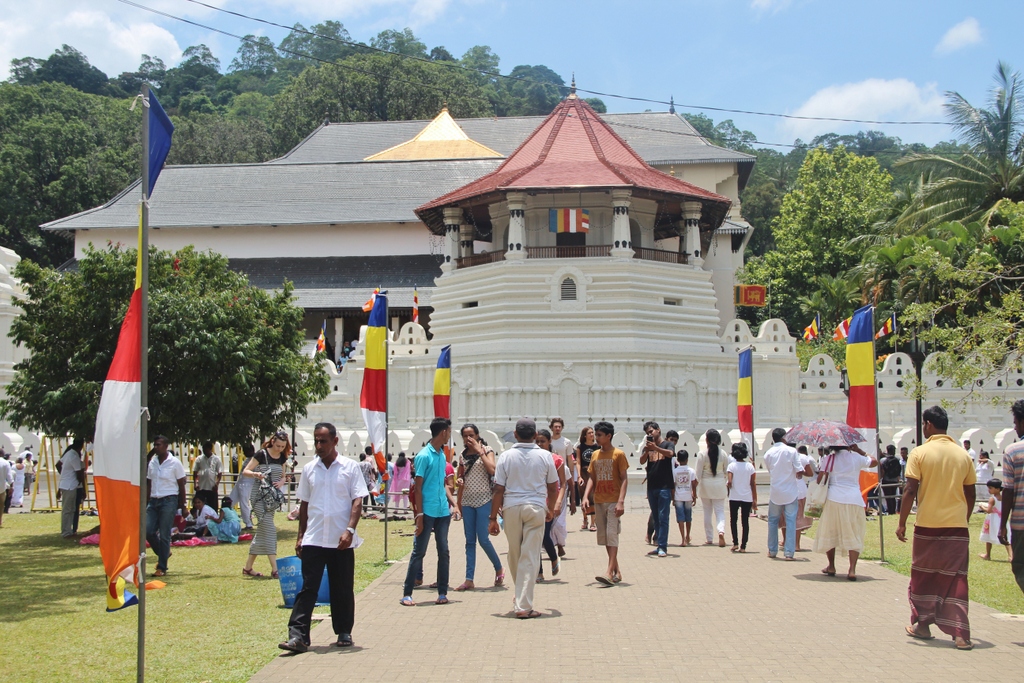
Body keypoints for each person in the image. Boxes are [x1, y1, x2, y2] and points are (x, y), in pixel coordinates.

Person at [279, 422, 368, 653]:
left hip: (341, 540)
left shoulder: (349, 467)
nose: (319, 445)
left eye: (323, 441)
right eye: (316, 441)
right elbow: (305, 504)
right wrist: (300, 536)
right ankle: (298, 636)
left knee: (342, 587)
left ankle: (343, 631)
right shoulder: (309, 469)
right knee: (308, 588)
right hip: (314, 538)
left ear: (335, 441)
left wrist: (349, 530)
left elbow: (357, 501)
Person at [897, 406, 976, 650]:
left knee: (923, 575)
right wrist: (964, 515)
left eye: (923, 424)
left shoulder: (919, 453)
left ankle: (922, 625)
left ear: (928, 424)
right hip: (956, 527)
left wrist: (901, 523)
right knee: (956, 578)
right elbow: (970, 491)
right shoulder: (963, 455)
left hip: (927, 526)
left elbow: (910, 489)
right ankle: (961, 634)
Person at [488, 418, 558, 618]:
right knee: (529, 557)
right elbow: (553, 486)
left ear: (515, 434)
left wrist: (492, 518)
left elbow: (498, 489)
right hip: (535, 507)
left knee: (515, 553)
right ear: (535, 436)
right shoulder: (546, 456)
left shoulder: (506, 456)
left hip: (511, 508)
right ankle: (523, 605)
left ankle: (520, 597)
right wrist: (550, 508)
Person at [401, 417, 456, 607]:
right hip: (428, 511)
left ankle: (442, 591)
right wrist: (419, 516)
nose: (450, 435)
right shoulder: (424, 455)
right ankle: (407, 593)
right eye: (449, 431)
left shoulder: (442, 455)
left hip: (442, 511)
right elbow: (417, 488)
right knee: (419, 551)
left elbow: (442, 484)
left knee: (444, 551)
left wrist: (453, 504)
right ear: (443, 432)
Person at [454, 424, 504, 591]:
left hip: (484, 500)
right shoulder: (462, 456)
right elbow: (460, 477)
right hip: (468, 501)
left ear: (477, 435)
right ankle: (469, 579)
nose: (469, 439)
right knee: (469, 541)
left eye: (472, 435)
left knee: (483, 539)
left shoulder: (487, 450)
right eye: (465, 436)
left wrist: (479, 451)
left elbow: (492, 470)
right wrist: (458, 503)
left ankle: (498, 567)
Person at [815, 443, 875, 578]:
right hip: (854, 498)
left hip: (834, 498)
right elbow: (874, 462)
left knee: (831, 531)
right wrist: (859, 450)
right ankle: (852, 569)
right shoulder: (857, 457)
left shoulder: (828, 459)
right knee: (854, 533)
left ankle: (831, 566)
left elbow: (820, 480)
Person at [582, 421, 629, 586]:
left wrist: (621, 501)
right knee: (604, 538)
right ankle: (616, 570)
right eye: (596, 434)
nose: (596, 437)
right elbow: (592, 478)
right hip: (599, 500)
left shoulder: (618, 454)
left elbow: (624, 479)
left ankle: (609, 572)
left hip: (613, 501)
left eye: (600, 435)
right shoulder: (595, 455)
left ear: (609, 436)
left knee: (612, 535)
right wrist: (586, 496)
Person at [240, 430, 292, 578]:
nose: (280, 449)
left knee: (263, 531)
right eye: (278, 445)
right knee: (269, 529)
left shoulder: (282, 457)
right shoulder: (261, 454)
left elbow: (283, 476)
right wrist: (256, 474)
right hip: (258, 497)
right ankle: (275, 568)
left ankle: (248, 567)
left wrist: (281, 482)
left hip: (272, 499)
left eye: (282, 446)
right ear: (273, 441)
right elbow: (246, 471)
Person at [764, 428, 812, 560]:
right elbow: (799, 469)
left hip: (775, 491)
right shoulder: (792, 451)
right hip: (790, 491)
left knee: (773, 521)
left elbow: (770, 470)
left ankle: (772, 550)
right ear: (785, 438)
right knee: (791, 521)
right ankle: (789, 552)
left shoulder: (768, 453)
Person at [145, 436, 188, 577]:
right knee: (148, 530)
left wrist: (184, 505)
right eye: (154, 445)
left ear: (166, 446)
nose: (156, 447)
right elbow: (149, 483)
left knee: (164, 534)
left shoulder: (174, 463)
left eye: (158, 445)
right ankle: (164, 552)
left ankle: (162, 567)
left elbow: (181, 485)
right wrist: (146, 502)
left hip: (169, 500)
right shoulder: (152, 462)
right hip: (153, 500)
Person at [534, 429, 567, 580]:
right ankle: (539, 572)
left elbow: (563, 483)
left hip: (550, 503)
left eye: (543, 441)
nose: (540, 444)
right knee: (534, 537)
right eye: (537, 441)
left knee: (543, 535)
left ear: (549, 442)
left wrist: (558, 502)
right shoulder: (532, 459)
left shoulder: (556, 460)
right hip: (535, 501)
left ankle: (553, 557)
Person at [640, 421, 674, 557]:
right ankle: (658, 543)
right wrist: (648, 449)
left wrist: (656, 447)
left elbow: (670, 454)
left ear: (658, 430)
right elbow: (642, 461)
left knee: (663, 517)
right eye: (648, 433)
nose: (650, 434)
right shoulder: (647, 447)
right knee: (656, 517)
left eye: (651, 431)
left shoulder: (667, 444)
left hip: (665, 487)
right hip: (652, 487)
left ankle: (663, 547)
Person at [1000, 399, 1024, 595]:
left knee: (1020, 567)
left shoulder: (1013, 451)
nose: (1015, 428)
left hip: (1020, 524)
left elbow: (1008, 491)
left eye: (1016, 423)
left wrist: (1002, 525)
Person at [694, 429, 730, 547]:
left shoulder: (702, 454)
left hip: (705, 486)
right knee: (720, 512)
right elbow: (726, 471)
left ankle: (709, 538)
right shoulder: (723, 454)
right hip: (719, 485)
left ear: (706, 440)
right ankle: (721, 531)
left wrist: (693, 489)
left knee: (707, 512)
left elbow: (697, 474)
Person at [727, 443, 757, 553]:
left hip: (734, 496)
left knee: (733, 520)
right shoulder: (750, 466)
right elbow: (753, 483)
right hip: (747, 496)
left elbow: (729, 481)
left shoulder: (732, 466)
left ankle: (735, 542)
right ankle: (743, 546)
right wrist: (755, 500)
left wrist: (729, 486)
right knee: (745, 521)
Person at [789, 445, 816, 552]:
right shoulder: (803, 458)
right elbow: (810, 473)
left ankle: (787, 541)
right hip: (799, 488)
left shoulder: (782, 456)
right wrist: (801, 471)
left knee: (787, 516)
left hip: (786, 487)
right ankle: (796, 544)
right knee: (798, 516)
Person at [978, 479, 1011, 561]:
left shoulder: (992, 499)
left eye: (990, 488)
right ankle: (1011, 555)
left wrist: (982, 506)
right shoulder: (1003, 498)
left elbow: (989, 510)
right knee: (1005, 536)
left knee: (989, 535)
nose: (989, 490)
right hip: (1002, 518)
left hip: (992, 519)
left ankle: (988, 554)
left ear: (998, 489)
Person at [59, 438, 86, 538]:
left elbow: (58, 464)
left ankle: (69, 531)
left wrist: (64, 474)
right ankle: (65, 532)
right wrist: (80, 483)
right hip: (69, 486)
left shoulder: (69, 453)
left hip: (68, 484)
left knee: (71, 509)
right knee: (67, 510)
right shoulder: (74, 456)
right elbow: (79, 473)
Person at [575, 426, 599, 532]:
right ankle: (585, 519)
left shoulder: (597, 447)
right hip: (584, 473)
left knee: (593, 497)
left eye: (592, 432)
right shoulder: (580, 447)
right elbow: (578, 461)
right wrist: (579, 476)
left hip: (593, 473)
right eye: (589, 433)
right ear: (585, 435)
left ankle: (593, 522)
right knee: (583, 496)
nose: (591, 434)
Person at [230, 444, 256, 531]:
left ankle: (248, 523)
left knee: (244, 504)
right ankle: (226, 518)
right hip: (240, 482)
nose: (244, 453)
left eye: (246, 451)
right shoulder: (247, 460)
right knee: (230, 501)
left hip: (247, 484)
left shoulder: (255, 460)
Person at [672, 451, 696, 547]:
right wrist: (694, 495)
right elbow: (693, 484)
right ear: (687, 459)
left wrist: (673, 498)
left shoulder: (675, 471)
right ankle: (688, 535)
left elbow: (673, 486)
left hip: (678, 496)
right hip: (688, 496)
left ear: (678, 460)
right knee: (688, 517)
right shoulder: (691, 471)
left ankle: (682, 539)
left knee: (680, 518)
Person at [193, 441, 223, 511]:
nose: (204, 451)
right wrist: (195, 483)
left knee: (213, 507)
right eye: (203, 449)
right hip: (201, 487)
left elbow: (219, 473)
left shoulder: (216, 459)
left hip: (211, 487)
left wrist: (217, 484)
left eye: (205, 449)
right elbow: (195, 472)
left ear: (210, 449)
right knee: (198, 506)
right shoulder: (199, 459)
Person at [879, 444, 903, 515]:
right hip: (895, 481)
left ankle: (890, 511)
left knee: (888, 497)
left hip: (886, 480)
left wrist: (880, 478)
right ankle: (893, 511)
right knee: (893, 496)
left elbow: (882, 471)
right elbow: (899, 471)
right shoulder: (898, 459)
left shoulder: (883, 460)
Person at [0, 454, 11, 527]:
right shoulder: (5, 462)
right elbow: (9, 476)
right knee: (1, 505)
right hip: (1, 488)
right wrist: (11, 486)